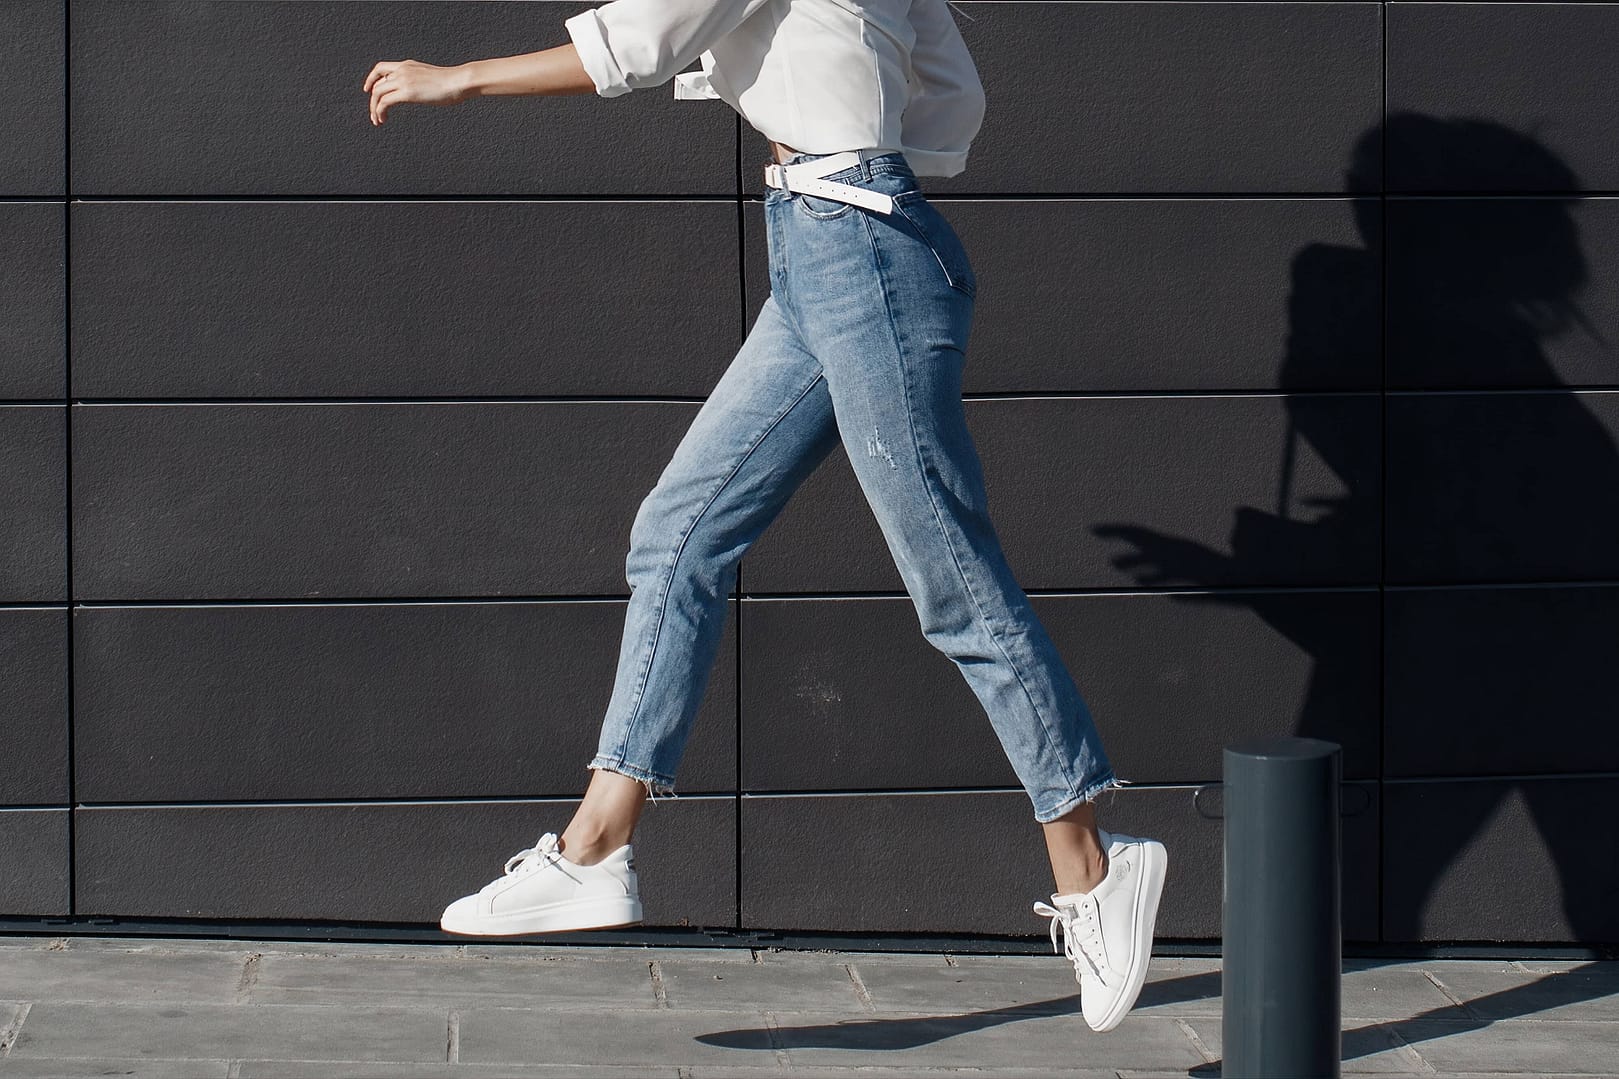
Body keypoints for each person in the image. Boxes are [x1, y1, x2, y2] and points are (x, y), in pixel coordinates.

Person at [363, 0, 1167, 1033]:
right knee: (679, 534)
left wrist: (459, 78)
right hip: (835, 243)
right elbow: (952, 100)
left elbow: (641, 41)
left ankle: (1090, 864)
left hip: (853, 250)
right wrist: (839, 117)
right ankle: (596, 845)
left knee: (951, 583)